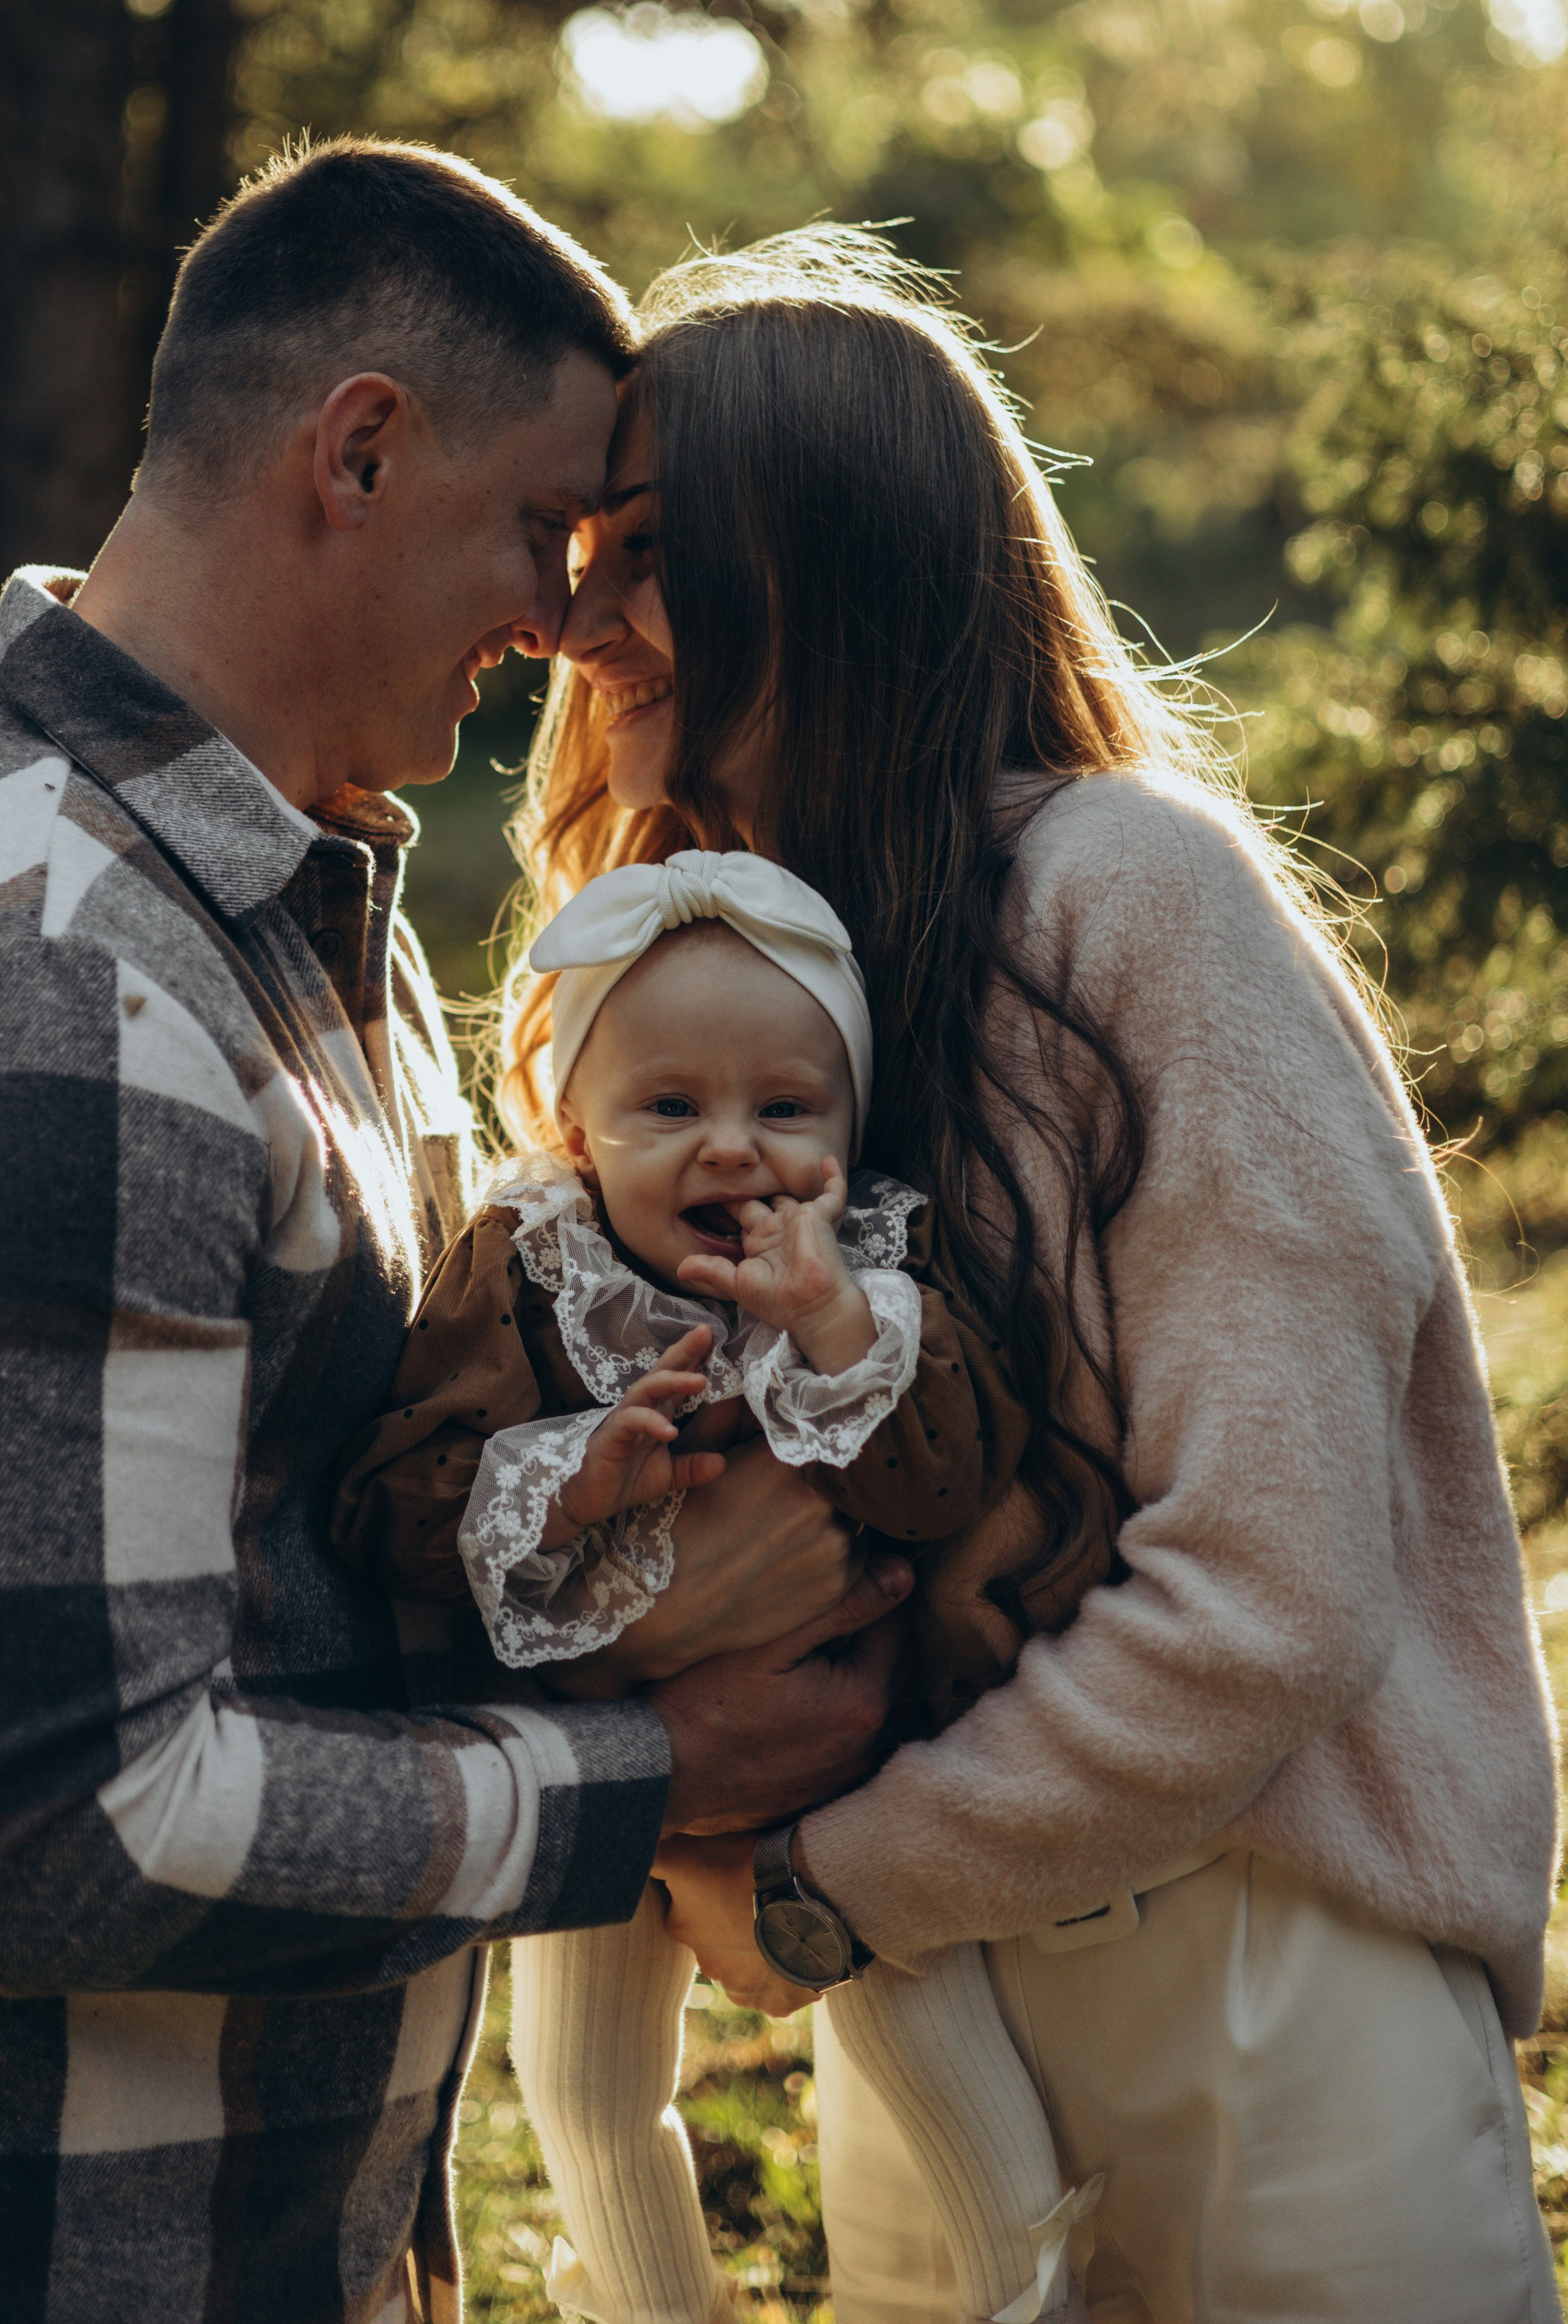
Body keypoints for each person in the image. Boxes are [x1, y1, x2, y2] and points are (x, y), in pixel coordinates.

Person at [0, 144, 906, 2324]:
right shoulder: (57, 985)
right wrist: (666, 1771)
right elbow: (72, 1840)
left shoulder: (291, 892)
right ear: (358, 449)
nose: (561, 626)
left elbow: (308, 1559)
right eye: (545, 530)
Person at [506, 227, 1563, 2324]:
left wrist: (818, 1889)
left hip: (1256, 1971)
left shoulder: (1129, 895)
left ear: (823, 559)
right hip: (939, 1996)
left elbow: (1265, 1595)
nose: (581, 613)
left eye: (648, 550)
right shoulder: (733, 987)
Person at [333, 849, 1098, 2324]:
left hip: (845, 1789)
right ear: (574, 1117)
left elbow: (946, 1479)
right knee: (585, 2097)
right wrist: (565, 1474)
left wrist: (830, 1328)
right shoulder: (527, 1268)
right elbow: (400, 1509)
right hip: (605, 1766)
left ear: (850, 1125)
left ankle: (1035, 2299)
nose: (733, 1150)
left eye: (786, 1108)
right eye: (671, 1108)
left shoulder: (877, 1266)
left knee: (958, 2087)